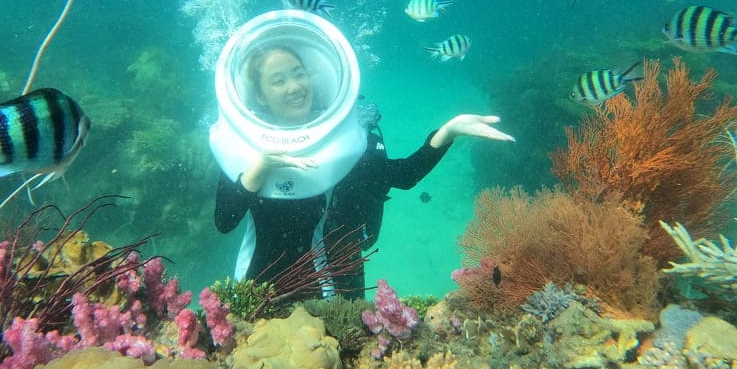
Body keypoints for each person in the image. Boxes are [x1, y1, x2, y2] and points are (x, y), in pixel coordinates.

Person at [213, 44, 514, 296]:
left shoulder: (348, 143)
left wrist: (448, 131)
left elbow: (404, 176)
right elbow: (224, 221)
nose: (294, 86)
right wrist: (261, 167)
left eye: (298, 74)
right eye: (278, 80)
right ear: (260, 94)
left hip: (341, 290)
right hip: (261, 286)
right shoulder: (246, 147)